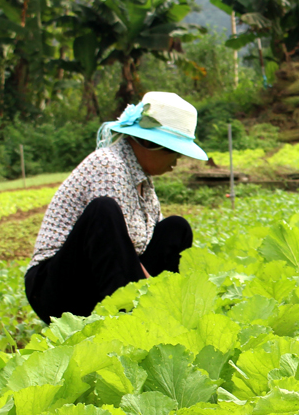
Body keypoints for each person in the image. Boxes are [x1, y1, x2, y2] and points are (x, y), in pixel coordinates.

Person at [24, 91, 208, 323]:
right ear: (150, 144)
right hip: (57, 288)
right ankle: (131, 320)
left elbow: (140, 248)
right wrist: (158, 299)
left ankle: (140, 313)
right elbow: (112, 247)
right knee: (104, 210)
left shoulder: (142, 178)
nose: (176, 162)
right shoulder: (109, 165)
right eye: (175, 153)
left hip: (103, 280)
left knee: (176, 228)